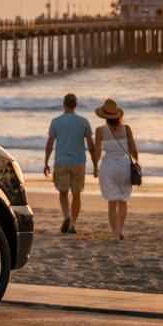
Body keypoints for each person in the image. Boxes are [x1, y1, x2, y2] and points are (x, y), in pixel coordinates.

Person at [43, 92, 93, 234]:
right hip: (78, 162)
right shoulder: (84, 122)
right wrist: (95, 164)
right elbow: (91, 146)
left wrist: (46, 162)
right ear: (75, 105)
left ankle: (66, 216)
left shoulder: (56, 122)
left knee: (63, 192)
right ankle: (72, 224)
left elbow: (49, 144)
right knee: (76, 194)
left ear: (63, 104)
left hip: (61, 161)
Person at [91, 98, 140, 240]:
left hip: (108, 167)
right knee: (123, 200)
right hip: (124, 167)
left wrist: (95, 167)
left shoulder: (100, 131)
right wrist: (136, 162)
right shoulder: (127, 129)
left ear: (104, 116)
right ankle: (120, 230)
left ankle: (115, 233)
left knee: (112, 202)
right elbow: (133, 150)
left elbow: (97, 152)